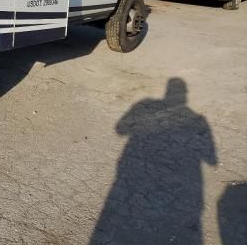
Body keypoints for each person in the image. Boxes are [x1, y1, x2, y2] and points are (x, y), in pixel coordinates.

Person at [90, 78, 216, 244]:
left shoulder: (146, 104)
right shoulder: (197, 117)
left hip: (130, 168)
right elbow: (211, 159)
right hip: (183, 186)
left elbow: (120, 129)